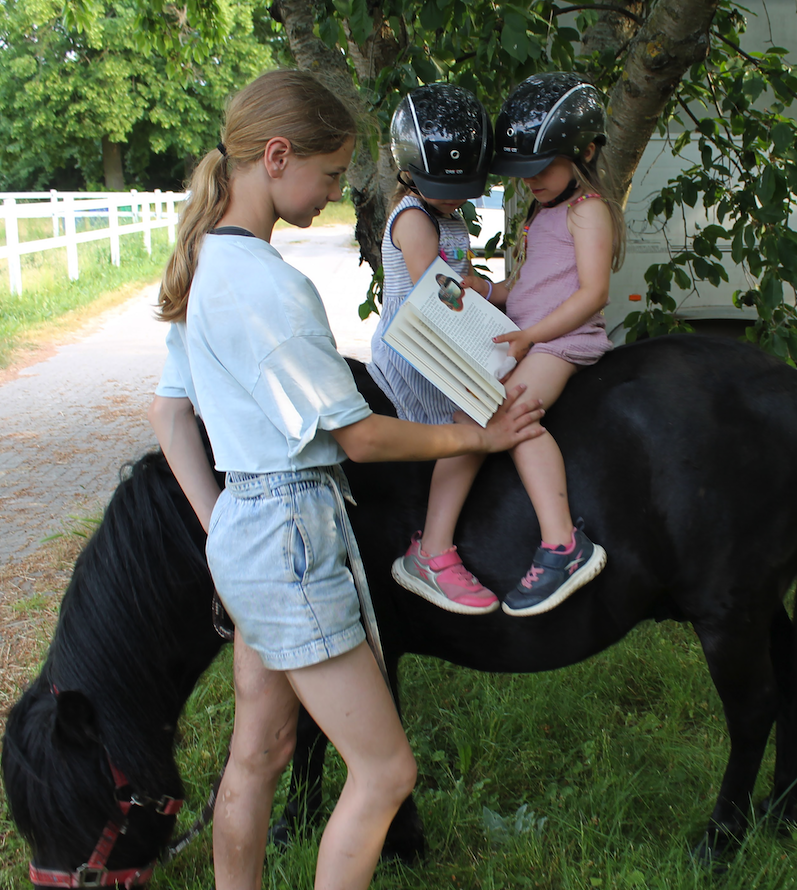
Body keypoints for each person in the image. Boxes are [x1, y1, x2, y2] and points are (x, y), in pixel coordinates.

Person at [147, 70, 546, 890]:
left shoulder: (204, 269)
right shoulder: (268, 284)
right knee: (384, 773)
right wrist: (476, 433)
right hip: (290, 536)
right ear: (278, 156)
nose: (333, 194)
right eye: (330, 175)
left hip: (247, 533)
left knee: (256, 753)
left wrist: (221, 526)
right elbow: (358, 438)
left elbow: (170, 417)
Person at [394, 72, 623, 619]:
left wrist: (531, 337)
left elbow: (593, 293)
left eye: (544, 167)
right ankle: (432, 549)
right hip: (530, 337)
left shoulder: (586, 209)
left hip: (562, 342)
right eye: (525, 172)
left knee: (513, 412)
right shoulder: (543, 213)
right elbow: (527, 290)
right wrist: (488, 290)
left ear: (586, 152)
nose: (534, 180)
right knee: (468, 413)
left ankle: (563, 544)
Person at [369, 83, 508, 615]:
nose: (462, 200)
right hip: (420, 351)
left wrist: (499, 294)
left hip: (448, 339)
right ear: (411, 173)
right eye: (451, 189)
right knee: (468, 429)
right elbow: (438, 290)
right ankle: (433, 550)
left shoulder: (447, 215)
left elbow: (465, 280)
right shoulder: (412, 218)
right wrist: (474, 294)